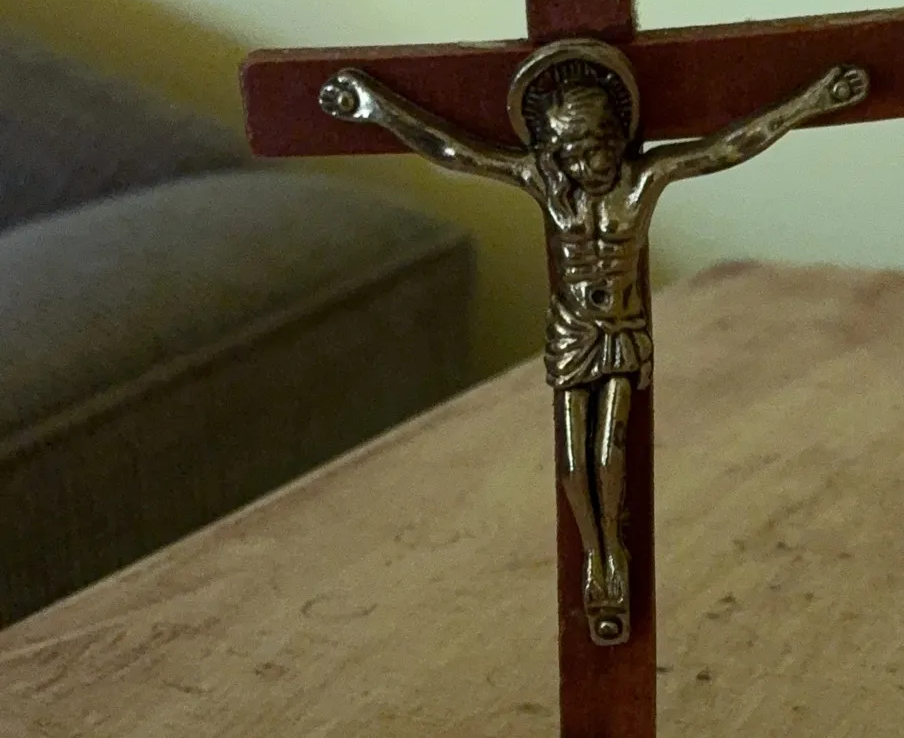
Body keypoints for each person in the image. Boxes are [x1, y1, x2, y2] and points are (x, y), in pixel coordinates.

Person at [321, 43, 869, 644]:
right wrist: (375, 108)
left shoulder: (643, 181)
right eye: (571, 152)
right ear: (553, 151)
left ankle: (615, 555)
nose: (586, 163)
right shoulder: (545, 183)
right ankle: (595, 555)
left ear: (617, 135)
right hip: (572, 331)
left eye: (596, 146)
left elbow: (729, 146)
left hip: (622, 330)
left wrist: (812, 101)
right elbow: (455, 151)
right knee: (571, 462)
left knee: (610, 456)